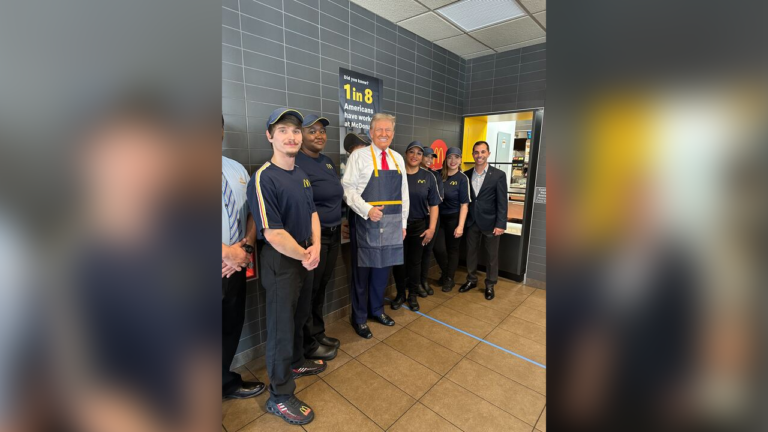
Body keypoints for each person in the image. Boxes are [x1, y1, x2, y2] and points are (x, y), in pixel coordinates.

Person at [247, 108, 322, 425]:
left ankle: (295, 361)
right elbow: (273, 233)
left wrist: (315, 245)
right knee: (280, 328)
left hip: (306, 255)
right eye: (282, 131)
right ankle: (279, 396)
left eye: (295, 130)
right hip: (282, 261)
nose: (291, 136)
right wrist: (305, 254)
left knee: (299, 316)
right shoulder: (264, 177)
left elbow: (312, 213)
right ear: (270, 136)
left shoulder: (301, 174)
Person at [341, 113, 408, 339]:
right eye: (379, 130)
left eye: (388, 130)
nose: (383, 134)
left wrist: (403, 223)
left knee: (382, 272)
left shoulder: (398, 158)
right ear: (371, 133)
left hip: (391, 223)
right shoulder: (358, 157)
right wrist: (367, 209)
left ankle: (377, 310)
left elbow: (404, 194)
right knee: (362, 273)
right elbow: (347, 189)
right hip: (365, 221)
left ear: (393, 134)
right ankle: (359, 318)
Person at [221, 115, 266, 400]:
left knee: (229, 325)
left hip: (236, 266)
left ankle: (223, 382)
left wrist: (246, 247)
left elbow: (253, 210)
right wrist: (226, 252)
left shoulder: (236, 169)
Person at [295, 114, 341, 361]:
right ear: (300, 135)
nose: (319, 135)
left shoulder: (327, 162)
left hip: (333, 235)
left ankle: (318, 332)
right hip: (315, 239)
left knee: (321, 288)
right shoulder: (296, 163)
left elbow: (335, 195)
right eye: (312, 131)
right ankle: (307, 344)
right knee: (309, 291)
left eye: (322, 131)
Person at [392, 141, 441, 311]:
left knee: (414, 263)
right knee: (398, 262)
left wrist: (432, 229)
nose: (415, 156)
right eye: (411, 152)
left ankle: (412, 295)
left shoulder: (428, 177)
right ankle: (400, 294)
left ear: (422, 157)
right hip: (398, 226)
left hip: (419, 226)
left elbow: (434, 205)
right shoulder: (397, 175)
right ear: (406, 154)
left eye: (419, 153)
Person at [459, 141, 507, 300]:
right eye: (476, 152)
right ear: (473, 154)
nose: (479, 155)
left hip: (491, 223)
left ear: (488, 154)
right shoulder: (466, 174)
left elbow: (502, 202)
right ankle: (471, 280)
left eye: (483, 152)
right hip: (472, 221)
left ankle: (490, 284)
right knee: (471, 253)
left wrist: (500, 224)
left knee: (491, 255)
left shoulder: (499, 175)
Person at [433, 147, 471, 292]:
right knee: (438, 248)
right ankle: (446, 272)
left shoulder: (462, 179)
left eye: (456, 157)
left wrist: (460, 226)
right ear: (445, 159)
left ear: (460, 160)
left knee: (452, 249)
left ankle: (449, 278)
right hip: (438, 218)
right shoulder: (437, 175)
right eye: (450, 157)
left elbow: (464, 205)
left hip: (454, 218)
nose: (453, 161)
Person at [417, 146, 443, 296]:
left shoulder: (435, 176)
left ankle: (423, 280)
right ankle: (415, 282)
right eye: (426, 156)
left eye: (431, 157)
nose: (428, 160)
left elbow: (437, 199)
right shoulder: (411, 173)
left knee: (427, 252)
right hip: (418, 219)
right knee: (416, 253)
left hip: (432, 219)